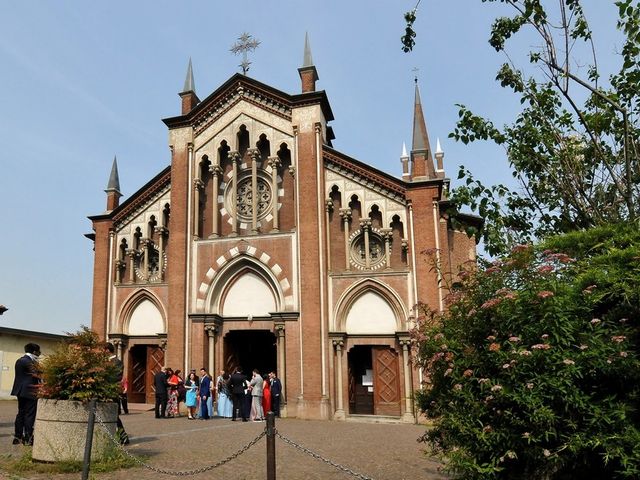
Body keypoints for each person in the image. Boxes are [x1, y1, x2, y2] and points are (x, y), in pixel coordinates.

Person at [11, 343, 40, 445]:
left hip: (20, 391)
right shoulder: (29, 362)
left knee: (21, 413)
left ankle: (17, 436)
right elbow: (38, 374)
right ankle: (28, 437)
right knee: (29, 414)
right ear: (34, 352)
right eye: (39, 351)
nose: (40, 353)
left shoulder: (20, 360)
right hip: (30, 391)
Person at [106, 343, 129, 444]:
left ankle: (124, 436)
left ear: (107, 350)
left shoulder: (117, 362)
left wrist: (103, 379)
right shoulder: (104, 362)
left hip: (111, 392)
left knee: (114, 415)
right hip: (104, 393)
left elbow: (116, 377)